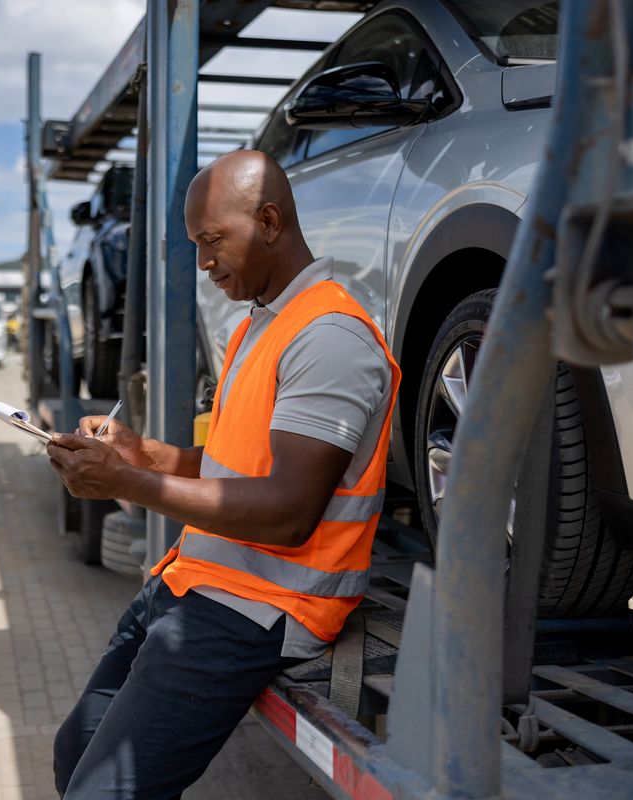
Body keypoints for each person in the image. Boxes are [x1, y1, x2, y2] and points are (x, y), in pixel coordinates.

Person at [46, 149, 401, 799]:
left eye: (213, 242)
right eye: (196, 245)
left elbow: (289, 511)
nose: (204, 262)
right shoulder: (258, 328)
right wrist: (139, 454)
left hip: (264, 607)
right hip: (196, 583)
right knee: (76, 749)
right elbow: (227, 471)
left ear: (269, 221)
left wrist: (126, 486)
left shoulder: (329, 338)